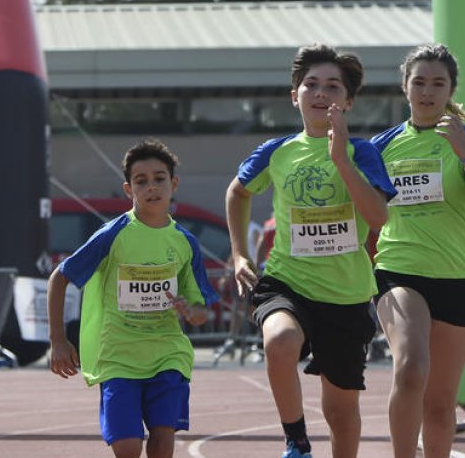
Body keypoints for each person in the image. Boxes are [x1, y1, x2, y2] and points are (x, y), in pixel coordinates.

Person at [226, 44, 395, 458]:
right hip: (288, 281)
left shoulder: (363, 152)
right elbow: (237, 192)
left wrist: (340, 160)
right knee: (279, 340)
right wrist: (238, 255)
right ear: (295, 95)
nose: (321, 93)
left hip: (346, 294)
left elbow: (378, 218)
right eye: (311, 85)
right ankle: (296, 441)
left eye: (333, 87)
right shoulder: (276, 152)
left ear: (348, 100)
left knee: (340, 410)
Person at [369, 44, 465, 458]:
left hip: (459, 279)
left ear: (450, 90)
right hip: (399, 271)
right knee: (410, 370)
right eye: (419, 82)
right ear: (405, 88)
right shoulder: (381, 145)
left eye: (437, 83)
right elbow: (366, 213)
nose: (427, 92)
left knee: (441, 405)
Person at [47, 139, 218, 457]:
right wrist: (58, 340)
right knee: (126, 447)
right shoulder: (113, 234)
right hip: (118, 357)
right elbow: (60, 278)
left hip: (167, 353)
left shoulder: (185, 242)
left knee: (163, 441)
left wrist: (191, 312)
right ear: (129, 189)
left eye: (159, 178)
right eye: (141, 181)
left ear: (173, 183)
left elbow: (200, 311)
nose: (151, 187)